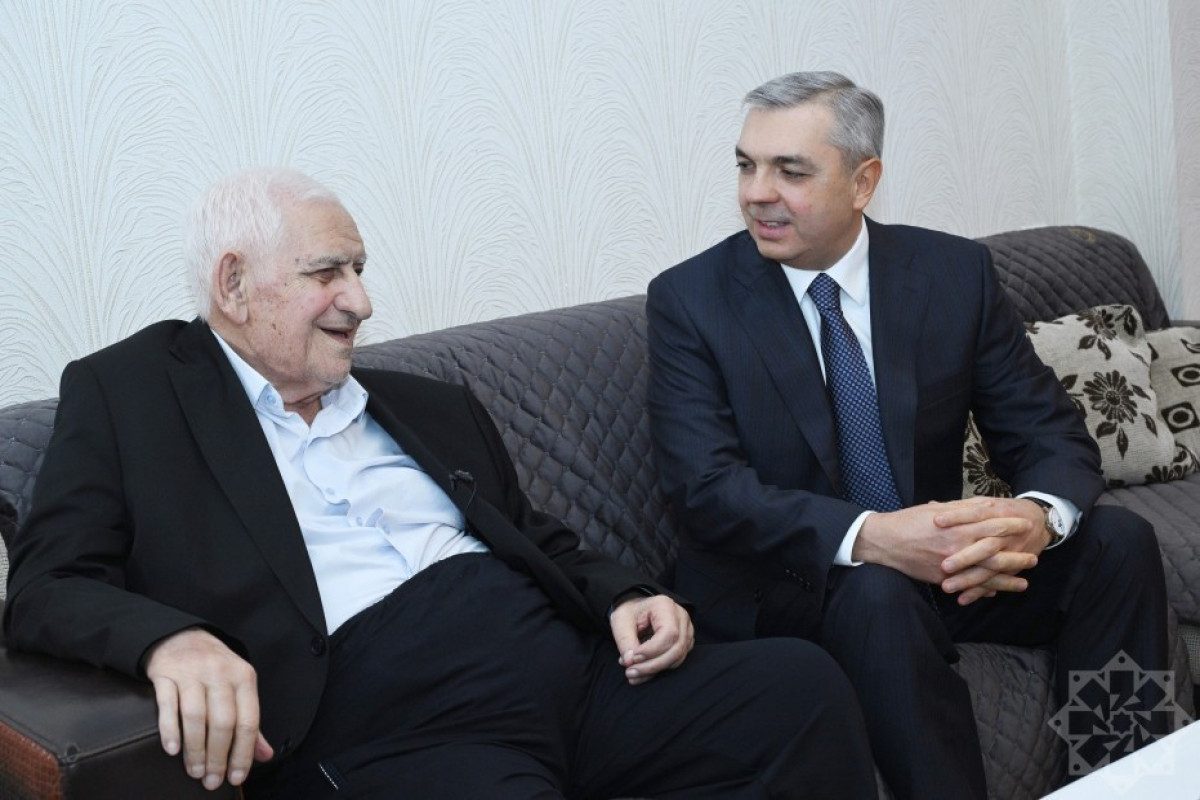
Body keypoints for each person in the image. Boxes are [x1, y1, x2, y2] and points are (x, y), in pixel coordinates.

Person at [3, 167, 877, 799]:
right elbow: (47, 584)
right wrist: (171, 642)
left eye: (359, 270)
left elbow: (541, 537)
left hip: (574, 672)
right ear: (234, 284)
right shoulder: (129, 394)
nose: (361, 301)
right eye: (328, 273)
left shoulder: (429, 404)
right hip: (397, 725)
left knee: (799, 690)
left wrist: (628, 594)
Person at [645, 71, 1169, 799]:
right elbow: (706, 490)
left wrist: (1036, 518)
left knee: (1116, 542)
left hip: (941, 568)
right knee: (877, 592)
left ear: (864, 182)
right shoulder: (690, 300)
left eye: (790, 171)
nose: (757, 193)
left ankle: (1122, 783)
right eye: (746, 165)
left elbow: (1047, 430)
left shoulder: (953, 274)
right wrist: (875, 538)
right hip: (794, 583)